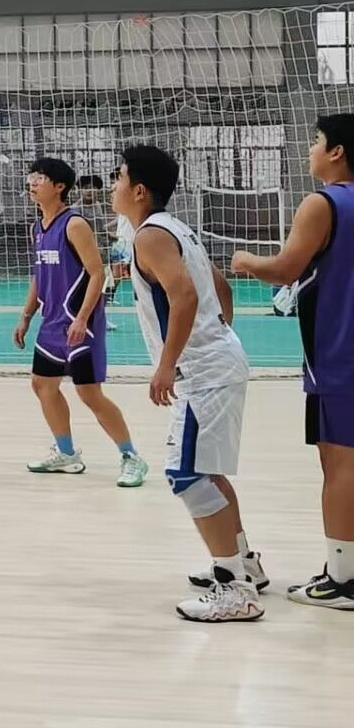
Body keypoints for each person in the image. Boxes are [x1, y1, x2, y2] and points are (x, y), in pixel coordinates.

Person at [112, 146, 260, 622]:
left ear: (139, 190)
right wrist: (218, 339)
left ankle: (235, 590)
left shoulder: (150, 236)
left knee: (187, 476)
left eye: (118, 177)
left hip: (202, 371)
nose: (112, 185)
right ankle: (244, 564)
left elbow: (186, 295)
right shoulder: (176, 228)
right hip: (218, 360)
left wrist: (168, 363)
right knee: (209, 471)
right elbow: (223, 290)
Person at [233, 112, 354, 609]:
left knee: (340, 463)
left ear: (338, 151)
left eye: (316, 140)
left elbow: (285, 269)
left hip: (340, 356)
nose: (310, 149)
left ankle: (344, 579)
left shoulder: (323, 203)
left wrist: (245, 261)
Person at [14, 156, 147, 485]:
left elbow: (97, 273)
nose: (32, 182)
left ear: (59, 186)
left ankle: (131, 457)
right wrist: (26, 316)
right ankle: (66, 453)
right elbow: (39, 276)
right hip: (51, 324)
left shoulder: (74, 224)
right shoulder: (37, 228)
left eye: (40, 178)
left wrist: (83, 318)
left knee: (88, 393)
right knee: (42, 385)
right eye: (31, 177)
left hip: (78, 323)